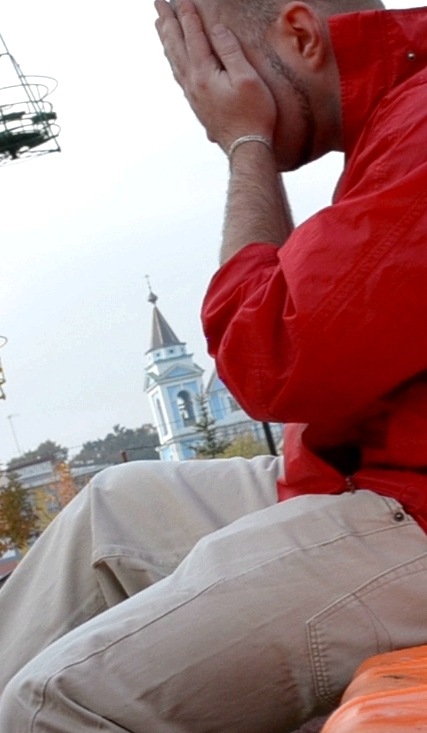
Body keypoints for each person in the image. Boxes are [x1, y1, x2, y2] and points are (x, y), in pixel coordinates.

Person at [1, 0, 427, 730]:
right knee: (110, 508)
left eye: (216, 64)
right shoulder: (393, 119)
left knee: (50, 703)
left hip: (413, 509)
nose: (204, 96)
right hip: (371, 472)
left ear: (301, 35)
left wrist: (246, 142)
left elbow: (269, 359)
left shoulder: (416, 132)